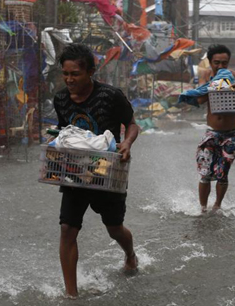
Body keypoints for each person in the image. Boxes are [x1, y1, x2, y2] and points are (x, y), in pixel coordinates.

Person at [53, 44, 140, 298]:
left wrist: (126, 142)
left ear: (91, 72)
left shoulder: (111, 96)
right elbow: (64, 132)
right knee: (67, 229)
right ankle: (72, 294)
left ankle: (130, 255)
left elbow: (132, 125)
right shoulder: (60, 99)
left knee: (114, 228)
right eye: (65, 74)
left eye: (75, 74)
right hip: (75, 171)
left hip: (108, 171)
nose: (69, 79)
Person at [196, 44, 235, 212]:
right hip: (212, 131)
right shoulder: (206, 75)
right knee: (205, 173)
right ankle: (202, 209)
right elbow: (199, 101)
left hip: (232, 133)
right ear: (210, 62)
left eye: (224, 63)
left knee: (222, 173)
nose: (220, 66)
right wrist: (212, 85)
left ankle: (217, 207)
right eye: (216, 63)